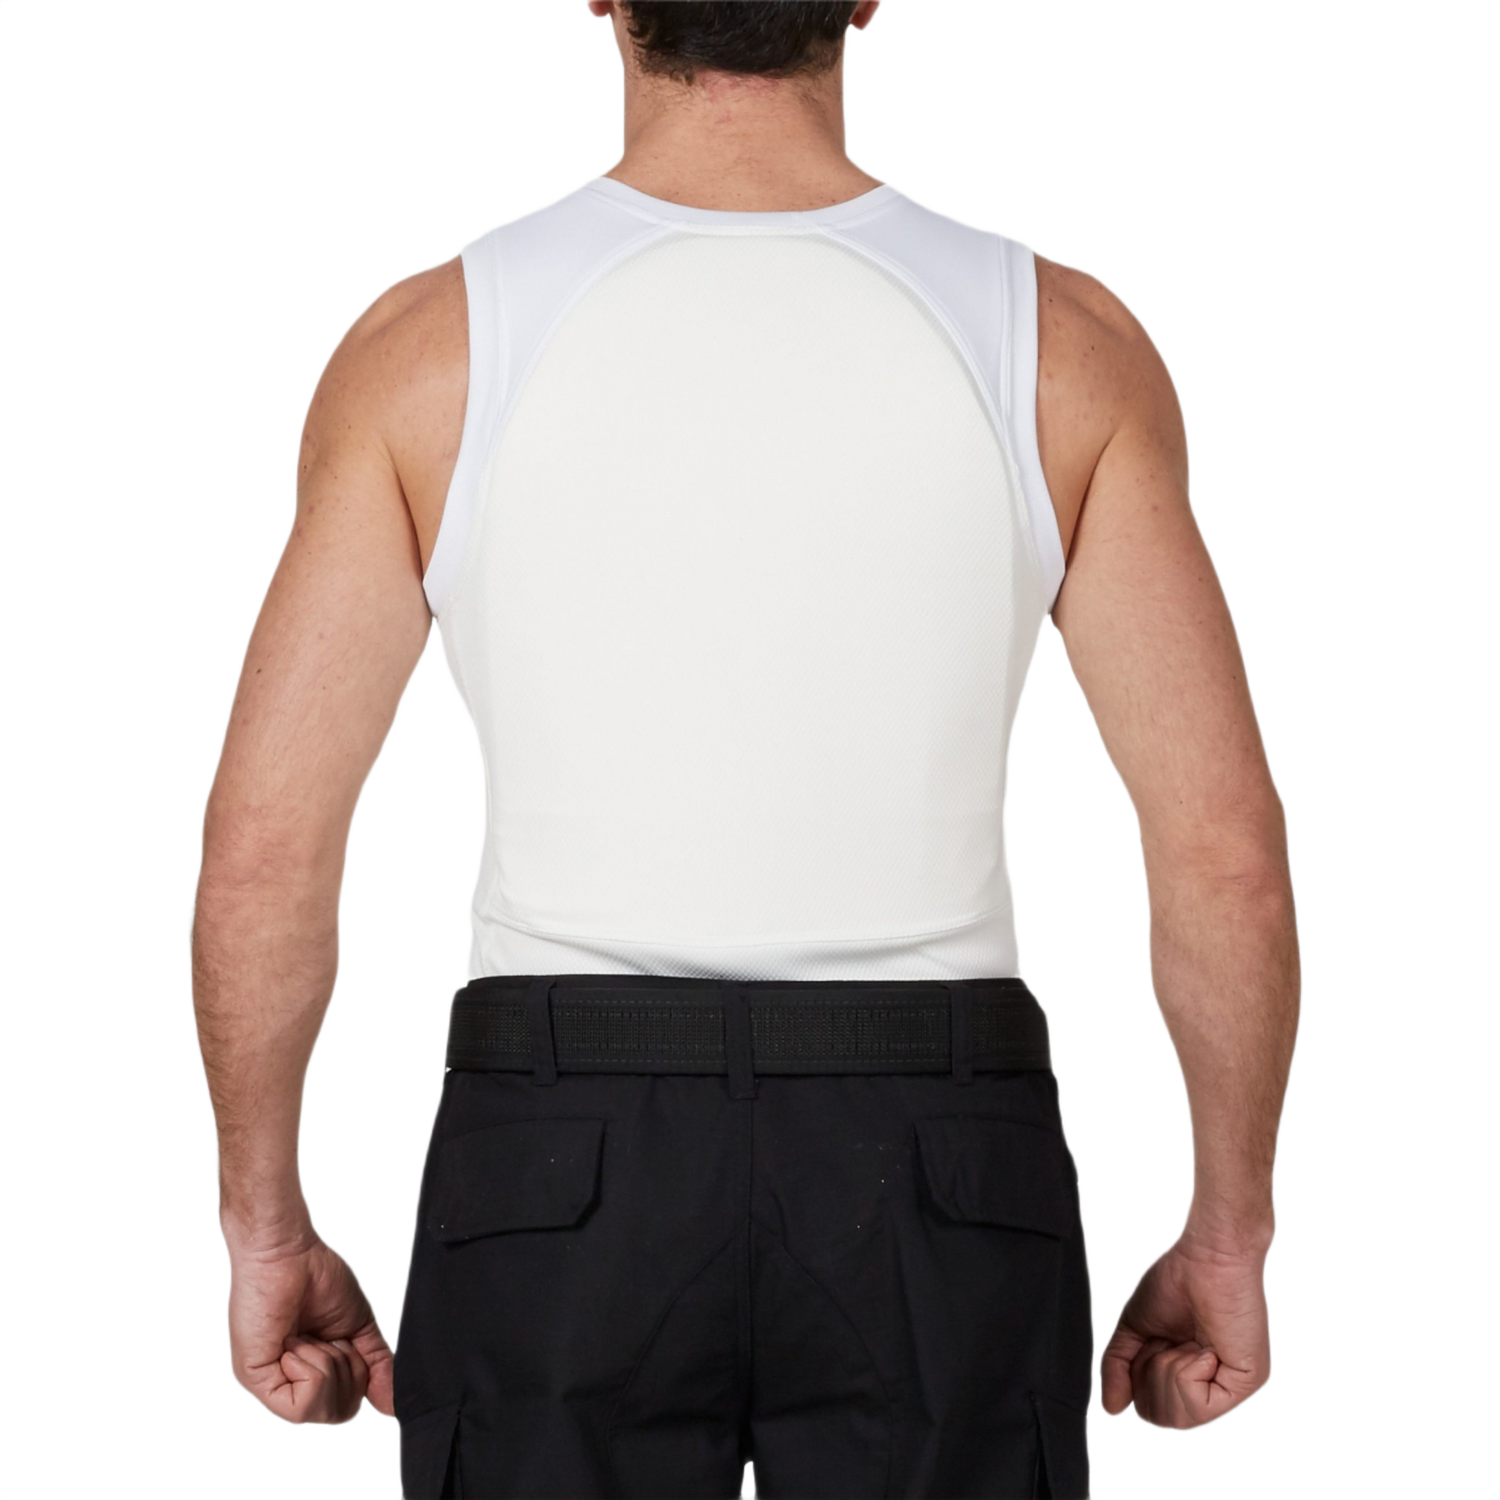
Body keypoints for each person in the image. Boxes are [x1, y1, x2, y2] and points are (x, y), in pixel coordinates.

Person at [184, 0, 1304, 1494]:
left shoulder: (430, 345)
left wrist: (263, 1229)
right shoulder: (1058, 339)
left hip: (557, 1154)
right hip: (939, 1151)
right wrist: (1230, 1234)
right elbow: (1224, 857)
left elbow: (266, 854)